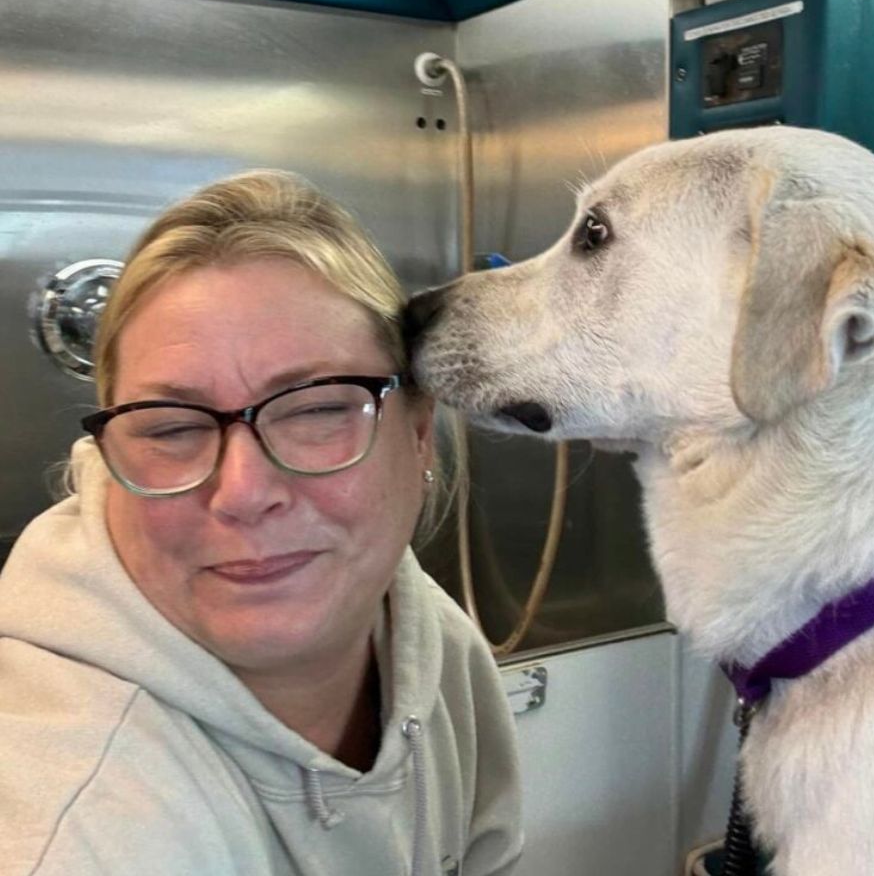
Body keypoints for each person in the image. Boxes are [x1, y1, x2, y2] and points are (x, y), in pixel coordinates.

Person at [0, 171, 523, 875]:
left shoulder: (425, 641)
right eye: (170, 428)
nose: (243, 492)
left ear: (420, 435)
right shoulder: (75, 825)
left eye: (314, 411)